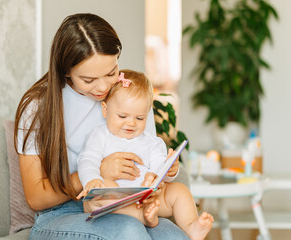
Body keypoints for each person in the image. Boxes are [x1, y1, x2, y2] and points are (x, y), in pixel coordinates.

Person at [14, 13, 190, 240]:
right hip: (59, 213)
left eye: (111, 73)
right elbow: (36, 198)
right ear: (66, 70)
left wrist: (158, 175)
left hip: (125, 204)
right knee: (129, 232)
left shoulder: (124, 95)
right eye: (89, 80)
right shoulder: (38, 107)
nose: (103, 87)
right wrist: (97, 173)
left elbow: (149, 158)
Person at [77, 70, 214, 240]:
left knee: (180, 190)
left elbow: (160, 168)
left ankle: (191, 226)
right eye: (122, 116)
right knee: (99, 193)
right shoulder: (100, 136)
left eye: (140, 118)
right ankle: (141, 217)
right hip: (115, 201)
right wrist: (91, 179)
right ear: (105, 110)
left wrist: (167, 172)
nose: (131, 123)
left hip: (149, 200)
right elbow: (87, 159)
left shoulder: (152, 142)